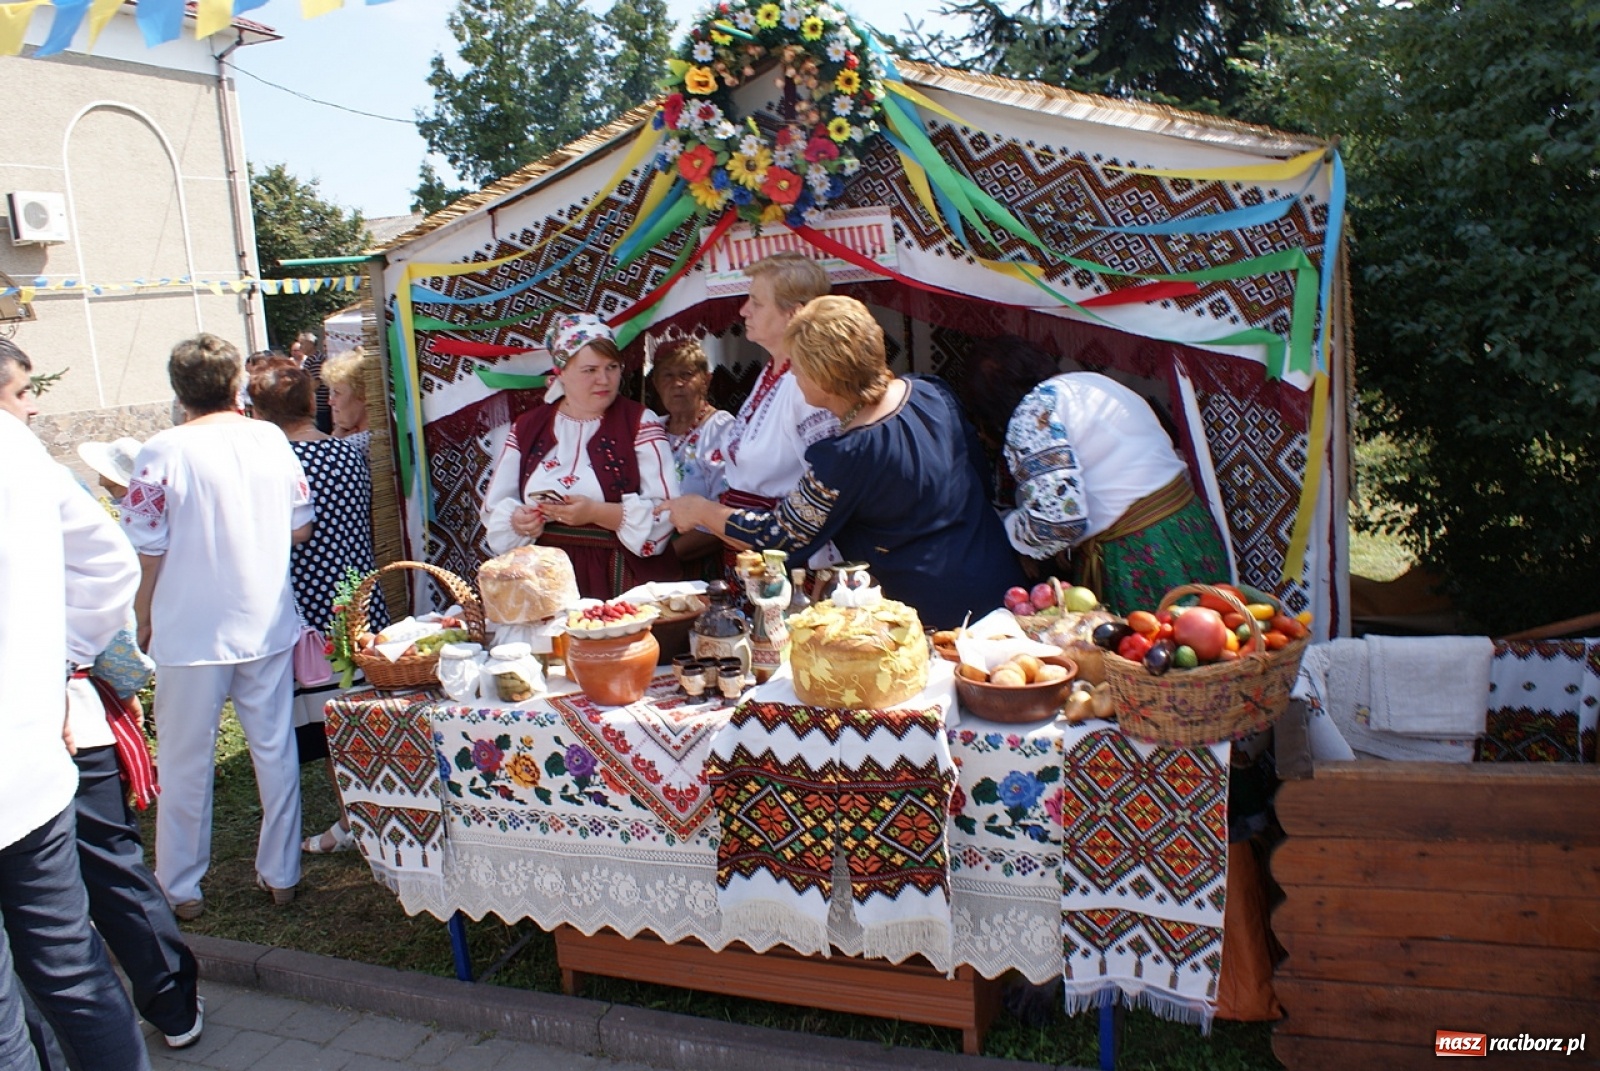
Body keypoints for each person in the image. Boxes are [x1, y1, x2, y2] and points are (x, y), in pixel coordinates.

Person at [660, 297, 1024, 629]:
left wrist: (701, 511)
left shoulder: (848, 456)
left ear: (824, 379)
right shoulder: (930, 392)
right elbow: (980, 479)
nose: (792, 376)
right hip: (1001, 584)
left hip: (943, 615)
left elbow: (781, 537)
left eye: (797, 367)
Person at [0, 340, 153, 1071]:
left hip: (29, 750)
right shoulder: (16, 451)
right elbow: (108, 560)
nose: (31, 403)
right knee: (70, 967)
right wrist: (59, 665)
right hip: (28, 752)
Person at [124, 334, 315, 915]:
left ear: (178, 389)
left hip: (190, 628)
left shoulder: (159, 451)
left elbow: (145, 545)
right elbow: (299, 527)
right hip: (264, 618)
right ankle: (282, 873)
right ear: (236, 385)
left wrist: (141, 615)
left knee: (185, 761)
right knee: (275, 749)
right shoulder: (270, 441)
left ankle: (181, 886)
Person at [965, 337, 1228, 615]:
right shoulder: (1090, 383)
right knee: (1214, 635)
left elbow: (1058, 523)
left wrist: (1010, 530)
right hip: (1187, 528)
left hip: (1142, 553)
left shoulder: (1033, 412)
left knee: (1162, 644)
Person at [249, 359, 386, 855]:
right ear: (312, 403)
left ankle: (356, 822)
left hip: (312, 612)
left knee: (333, 729)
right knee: (364, 719)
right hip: (361, 597)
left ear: (260, 414)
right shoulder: (350, 454)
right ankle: (375, 814)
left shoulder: (279, 464)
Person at [481, 314, 680, 599]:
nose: (604, 379)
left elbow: (667, 510)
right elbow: (495, 506)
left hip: (620, 576)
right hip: (547, 578)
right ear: (561, 372)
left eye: (612, 367)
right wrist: (519, 522)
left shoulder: (639, 422)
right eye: (590, 370)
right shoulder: (528, 427)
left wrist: (596, 513)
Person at [711, 251, 839, 522]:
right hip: (750, 546)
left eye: (756, 303)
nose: (744, 310)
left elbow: (829, 490)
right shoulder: (771, 372)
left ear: (793, 313)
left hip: (788, 551)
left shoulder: (810, 387)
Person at [650, 335, 733, 570]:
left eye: (686, 374)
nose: (677, 384)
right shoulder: (652, 429)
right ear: (656, 384)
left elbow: (726, 514)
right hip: (653, 552)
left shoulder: (721, 429)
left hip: (697, 559)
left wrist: (664, 560)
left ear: (706, 380)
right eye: (667, 375)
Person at [322, 347, 372, 452]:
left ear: (362, 395)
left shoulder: (350, 447)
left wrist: (335, 443)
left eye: (337, 393)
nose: (331, 402)